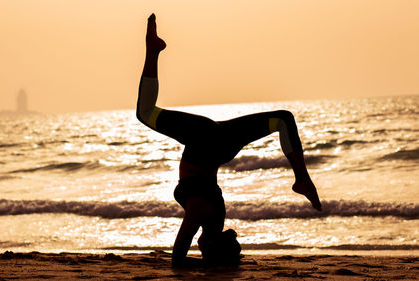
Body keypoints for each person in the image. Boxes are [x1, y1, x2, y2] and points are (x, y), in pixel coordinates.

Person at [136, 14, 322, 268]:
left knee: (282, 120)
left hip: (220, 143)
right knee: (145, 112)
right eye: (204, 253)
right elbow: (178, 262)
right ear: (210, 247)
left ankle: (302, 177)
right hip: (205, 140)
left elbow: (190, 256)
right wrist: (208, 265)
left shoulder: (213, 220)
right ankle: (153, 50)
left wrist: (212, 261)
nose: (199, 250)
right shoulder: (201, 213)